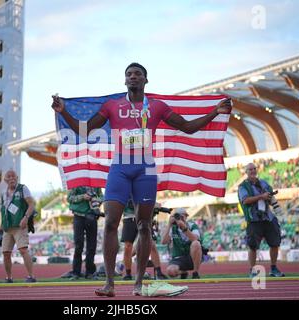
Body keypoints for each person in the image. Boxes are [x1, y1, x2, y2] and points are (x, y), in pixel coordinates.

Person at [52, 62, 232, 297]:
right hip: (120, 168)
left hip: (145, 170)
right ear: (125, 81)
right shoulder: (113, 106)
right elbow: (84, 131)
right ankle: (109, 284)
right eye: (129, 74)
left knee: (144, 226)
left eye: (138, 74)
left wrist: (214, 112)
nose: (133, 77)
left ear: (146, 80)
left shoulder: (156, 107)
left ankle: (138, 284)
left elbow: (187, 127)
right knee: (110, 224)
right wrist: (63, 110)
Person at [237, 163, 285, 278]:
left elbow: (270, 197)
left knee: (275, 243)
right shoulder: (243, 186)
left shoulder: (264, 183)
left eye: (254, 168)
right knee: (253, 246)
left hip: (268, 217)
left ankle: (273, 268)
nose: (253, 171)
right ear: (246, 172)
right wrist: (261, 196)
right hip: (254, 219)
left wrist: (271, 199)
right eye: (250, 169)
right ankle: (253, 270)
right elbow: (245, 201)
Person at [0, 169, 36, 283]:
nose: (11, 179)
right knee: (5, 253)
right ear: (5, 180)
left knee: (23, 250)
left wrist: (26, 218)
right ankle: (9, 277)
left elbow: (31, 204)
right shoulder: (3, 194)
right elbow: (3, 211)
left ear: (17, 178)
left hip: (20, 225)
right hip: (7, 227)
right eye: (8, 177)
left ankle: (31, 276)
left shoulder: (23, 188)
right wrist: (0, 227)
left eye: (13, 176)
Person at [121, 200, 168, 280]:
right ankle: (128, 274)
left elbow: (149, 198)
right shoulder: (125, 188)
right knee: (127, 246)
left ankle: (159, 272)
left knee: (151, 244)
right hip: (129, 217)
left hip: (144, 217)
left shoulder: (143, 187)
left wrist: (155, 204)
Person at [67, 186, 103, 280]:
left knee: (92, 246)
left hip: (92, 216)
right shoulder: (77, 182)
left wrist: (96, 199)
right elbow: (69, 198)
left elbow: (102, 197)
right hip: (78, 216)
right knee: (79, 244)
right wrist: (83, 196)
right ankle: (76, 272)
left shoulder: (96, 183)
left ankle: (90, 272)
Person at [161, 208, 202, 279]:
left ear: (186, 217)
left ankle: (195, 273)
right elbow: (164, 242)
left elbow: (195, 239)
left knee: (196, 244)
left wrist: (184, 228)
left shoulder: (192, 225)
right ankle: (183, 272)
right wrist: (169, 225)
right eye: (178, 216)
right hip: (178, 258)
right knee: (170, 271)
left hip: (192, 257)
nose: (180, 219)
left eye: (183, 216)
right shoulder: (173, 228)